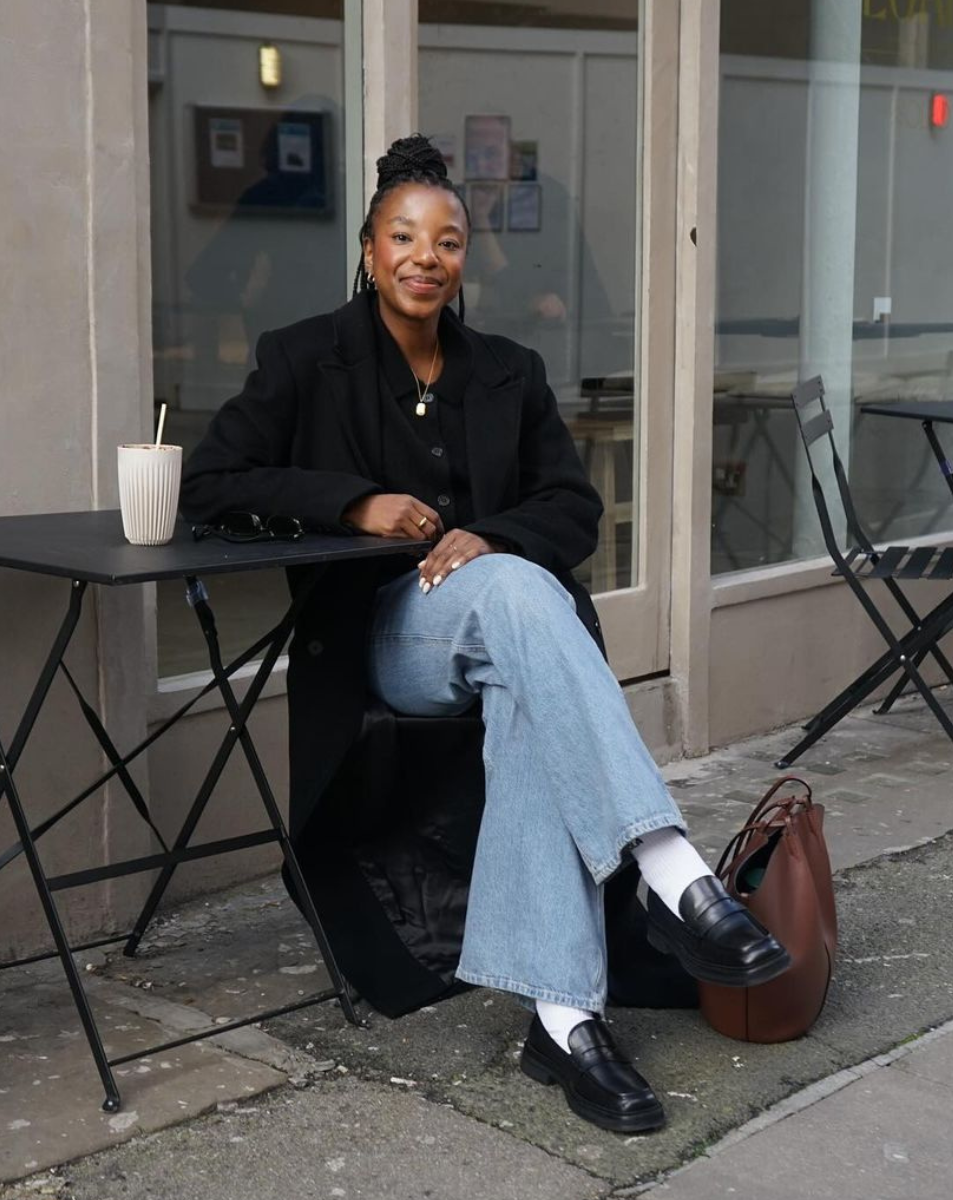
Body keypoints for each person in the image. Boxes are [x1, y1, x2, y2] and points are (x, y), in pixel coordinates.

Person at [180, 135, 790, 1135]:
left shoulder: (508, 371)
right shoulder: (304, 359)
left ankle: (563, 1023)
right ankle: (672, 875)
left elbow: (571, 509)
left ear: (467, 258)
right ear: (372, 250)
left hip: (499, 636)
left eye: (449, 240)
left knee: (515, 646)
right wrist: (354, 504)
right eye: (405, 237)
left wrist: (489, 535)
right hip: (384, 638)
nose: (428, 257)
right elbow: (211, 486)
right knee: (512, 592)